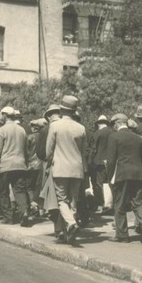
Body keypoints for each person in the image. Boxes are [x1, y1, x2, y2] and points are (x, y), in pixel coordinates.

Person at [106, 113, 142, 245]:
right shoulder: (138, 138)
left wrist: (109, 176)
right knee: (139, 202)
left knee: (119, 204)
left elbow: (111, 161)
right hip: (139, 174)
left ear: (117, 124)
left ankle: (122, 235)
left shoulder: (114, 137)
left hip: (122, 174)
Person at [45, 96, 87, 245]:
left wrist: (48, 164)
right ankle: (70, 232)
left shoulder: (55, 126)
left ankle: (71, 223)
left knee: (62, 199)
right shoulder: (81, 128)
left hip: (60, 167)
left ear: (62, 109)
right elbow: (83, 152)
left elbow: (49, 150)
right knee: (73, 200)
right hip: (77, 168)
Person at [0, 106, 30, 226]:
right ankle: (24, 212)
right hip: (20, 164)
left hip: (6, 165)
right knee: (19, 191)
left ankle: (8, 217)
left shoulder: (2, 130)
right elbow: (26, 150)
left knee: (3, 192)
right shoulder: (22, 130)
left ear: (4, 115)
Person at [37, 104, 65, 240]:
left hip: (51, 167)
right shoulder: (70, 126)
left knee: (52, 199)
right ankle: (63, 227)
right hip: (71, 168)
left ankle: (58, 229)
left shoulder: (46, 130)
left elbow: (41, 152)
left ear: (48, 116)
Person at [88, 115, 113, 214]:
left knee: (99, 184)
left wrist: (90, 161)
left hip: (99, 162)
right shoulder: (112, 133)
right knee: (109, 183)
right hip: (110, 161)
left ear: (98, 123)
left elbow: (94, 149)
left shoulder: (97, 133)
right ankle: (110, 205)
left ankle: (102, 204)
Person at [26, 118, 47, 216]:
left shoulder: (30, 137)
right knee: (40, 187)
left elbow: (26, 152)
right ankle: (42, 208)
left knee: (29, 187)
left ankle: (33, 205)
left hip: (31, 165)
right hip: (42, 164)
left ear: (34, 128)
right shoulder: (44, 136)